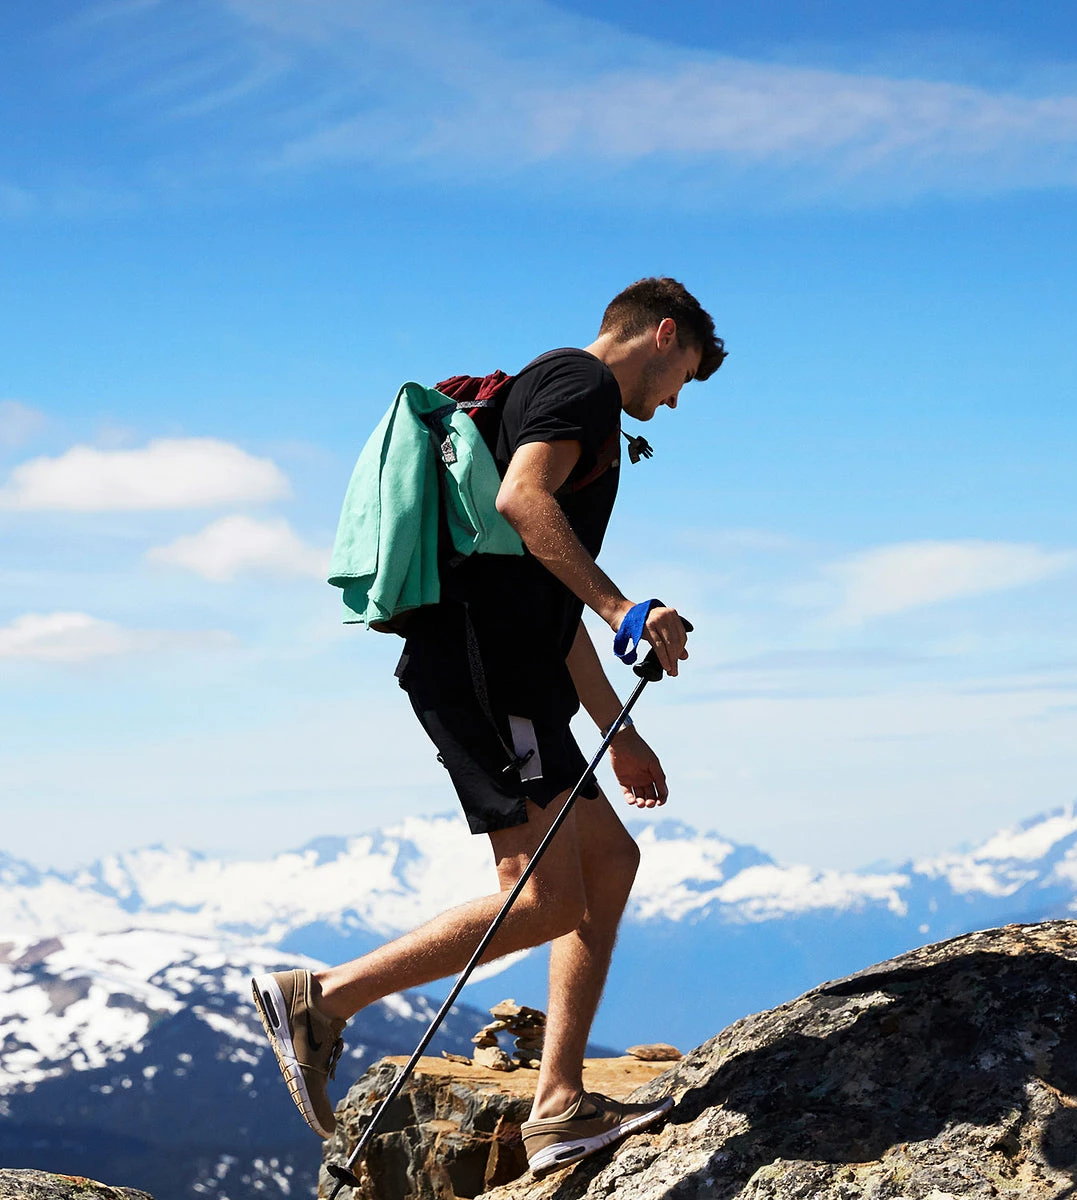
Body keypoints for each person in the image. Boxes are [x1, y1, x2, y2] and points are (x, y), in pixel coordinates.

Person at [252, 277, 725, 1178]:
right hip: (483, 670)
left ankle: (556, 1105)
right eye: (683, 377)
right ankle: (321, 999)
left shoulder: (558, 395)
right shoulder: (579, 386)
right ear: (664, 334)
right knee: (542, 895)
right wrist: (626, 607)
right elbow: (521, 501)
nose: (671, 403)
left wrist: (611, 728)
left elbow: (542, 584)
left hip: (516, 672)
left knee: (609, 863)